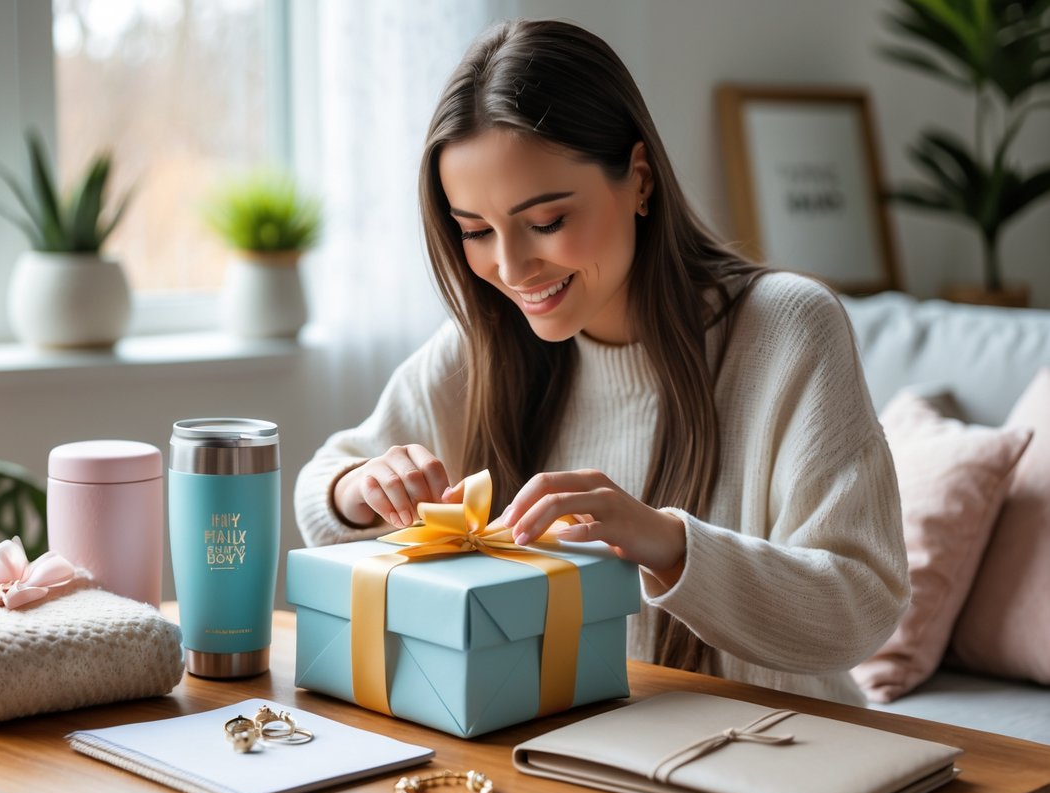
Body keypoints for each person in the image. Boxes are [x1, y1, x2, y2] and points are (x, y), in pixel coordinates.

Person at [294, 18, 908, 707]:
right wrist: (358, 487)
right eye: (475, 231)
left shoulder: (786, 327)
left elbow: (861, 608)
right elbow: (322, 498)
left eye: (546, 222)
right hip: (568, 743)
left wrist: (666, 543)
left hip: (775, 743)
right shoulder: (486, 340)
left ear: (638, 179)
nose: (510, 268)